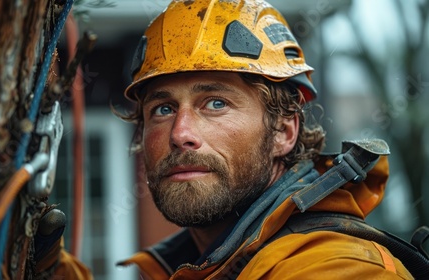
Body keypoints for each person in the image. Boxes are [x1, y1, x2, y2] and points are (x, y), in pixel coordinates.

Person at [115, 0, 414, 279]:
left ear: (283, 133)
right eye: (163, 109)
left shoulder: (339, 266)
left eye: (216, 103)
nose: (180, 134)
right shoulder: (187, 265)